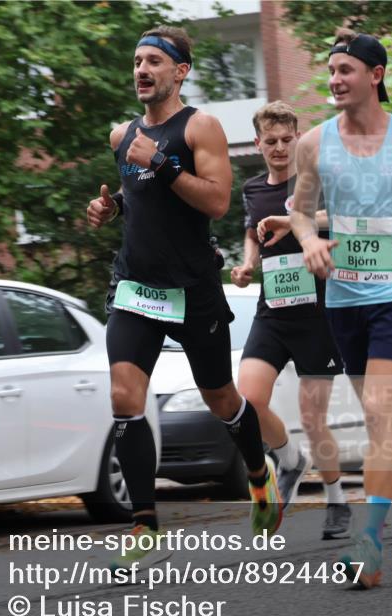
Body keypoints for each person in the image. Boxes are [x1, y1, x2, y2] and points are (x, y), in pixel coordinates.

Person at [85, 27, 279, 570]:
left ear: (180, 71)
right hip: (136, 286)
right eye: (136, 61)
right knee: (125, 396)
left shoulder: (202, 126)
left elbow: (216, 201)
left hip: (192, 290)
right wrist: (112, 209)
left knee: (221, 398)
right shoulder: (121, 134)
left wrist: (165, 163)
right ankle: (145, 523)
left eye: (153, 61)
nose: (141, 70)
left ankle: (259, 475)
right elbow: (139, 192)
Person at [289, 29, 392, 587]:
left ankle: (371, 541)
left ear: (376, 76)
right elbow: (299, 208)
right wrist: (310, 239)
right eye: (331, 72)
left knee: (380, 409)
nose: (335, 80)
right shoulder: (312, 143)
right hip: (344, 299)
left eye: (346, 71)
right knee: (382, 412)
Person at [229, 100, 351, 539]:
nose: (280, 148)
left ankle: (337, 502)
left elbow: (339, 218)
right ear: (258, 143)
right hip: (272, 310)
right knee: (248, 399)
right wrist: (245, 266)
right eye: (271, 141)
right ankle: (289, 458)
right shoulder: (252, 188)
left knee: (314, 416)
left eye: (287, 140)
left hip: (317, 313)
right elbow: (251, 231)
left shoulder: (313, 182)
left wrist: (294, 218)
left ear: (297, 138)